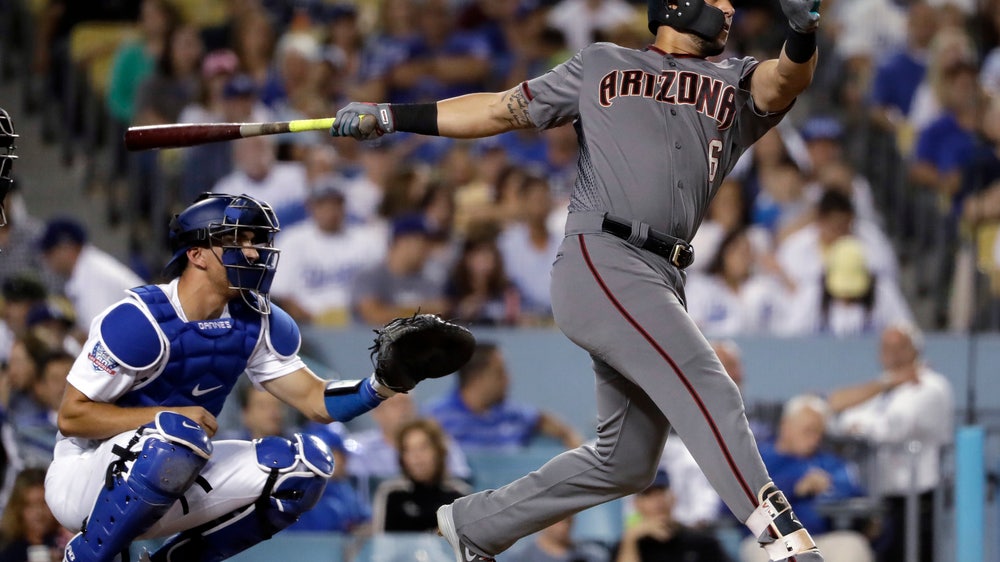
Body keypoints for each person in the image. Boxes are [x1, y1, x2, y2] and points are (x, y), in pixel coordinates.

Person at [330, 0, 828, 560]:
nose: (730, 6)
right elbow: (499, 109)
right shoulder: (601, 63)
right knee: (709, 386)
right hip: (604, 253)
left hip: (662, 273)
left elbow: (786, 80)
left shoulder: (733, 79)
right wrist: (393, 115)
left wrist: (802, 29)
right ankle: (785, 542)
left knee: (626, 461)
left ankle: (476, 524)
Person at [43, 193, 463, 562]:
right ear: (197, 254)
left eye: (256, 241)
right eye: (237, 241)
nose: (253, 252)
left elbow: (315, 400)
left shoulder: (255, 320)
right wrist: (166, 416)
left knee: (306, 465)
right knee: (176, 436)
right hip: (85, 479)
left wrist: (381, 385)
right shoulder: (139, 320)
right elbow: (72, 417)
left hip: (174, 472)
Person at [826, 323, 954, 562]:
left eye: (899, 347)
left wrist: (861, 427)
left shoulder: (931, 385)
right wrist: (885, 384)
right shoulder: (884, 386)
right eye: (885, 347)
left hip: (919, 497)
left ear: (915, 350)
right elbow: (836, 414)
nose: (891, 353)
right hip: (885, 497)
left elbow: (893, 427)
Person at [740, 395, 873, 562]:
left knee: (853, 545)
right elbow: (735, 503)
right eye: (808, 430)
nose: (815, 439)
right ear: (786, 427)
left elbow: (854, 492)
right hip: (770, 539)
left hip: (820, 538)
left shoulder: (827, 462)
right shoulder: (758, 457)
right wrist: (794, 488)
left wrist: (831, 489)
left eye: (819, 433)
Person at [424, 342, 583, 452]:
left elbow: (551, 424)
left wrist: (573, 441)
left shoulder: (514, 414)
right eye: (500, 374)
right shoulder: (435, 418)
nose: (508, 380)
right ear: (477, 379)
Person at [38, 218, 145, 335]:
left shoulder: (92, 274)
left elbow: (100, 334)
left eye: (49, 252)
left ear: (67, 247)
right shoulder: (88, 266)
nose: (46, 258)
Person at [370, 418, 472, 533]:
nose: (416, 457)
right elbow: (380, 540)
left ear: (439, 452)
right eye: (408, 450)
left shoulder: (461, 496)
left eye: (423, 448)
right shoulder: (390, 494)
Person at [613, 469, 731, 562]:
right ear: (637, 504)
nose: (657, 501)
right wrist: (631, 539)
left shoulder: (700, 542)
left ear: (673, 498)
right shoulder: (628, 544)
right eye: (648, 495)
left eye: (661, 492)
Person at [0, 468, 65, 562]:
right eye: (30, 505)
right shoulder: (8, 550)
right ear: (18, 508)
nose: (39, 513)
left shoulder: (66, 543)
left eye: (44, 503)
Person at [518, 516, 610, 562]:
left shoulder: (592, 554)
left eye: (568, 520)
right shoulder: (523, 556)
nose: (564, 526)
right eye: (558, 520)